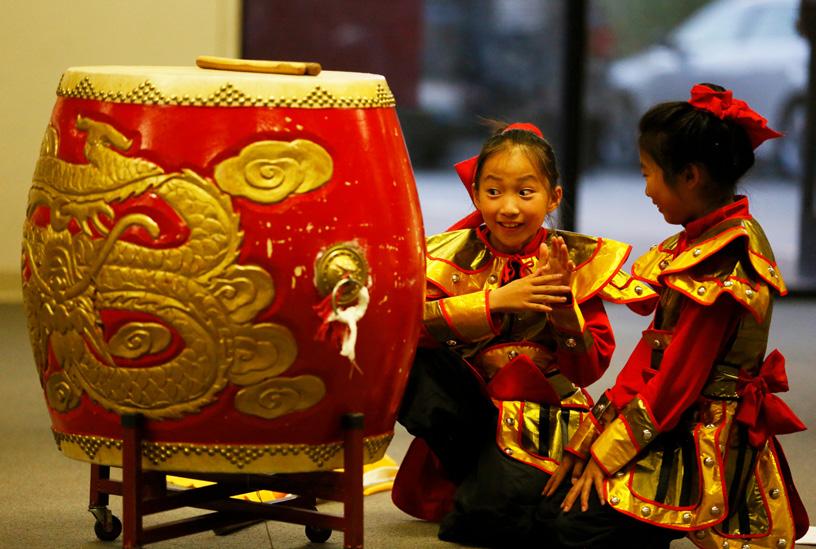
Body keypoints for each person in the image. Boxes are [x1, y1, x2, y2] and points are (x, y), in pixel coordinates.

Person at [542, 84, 809, 549]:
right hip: (668, 416)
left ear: (689, 176)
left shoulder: (728, 254)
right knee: (549, 507)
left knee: (575, 529)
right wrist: (590, 438)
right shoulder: (698, 237)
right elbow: (651, 352)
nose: (646, 190)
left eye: (648, 174)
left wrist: (607, 456)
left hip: (699, 432)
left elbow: (677, 382)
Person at [391, 122, 655, 547]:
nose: (508, 208)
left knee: (492, 521)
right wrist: (494, 302)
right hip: (472, 413)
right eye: (494, 192)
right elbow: (401, 331)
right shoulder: (449, 255)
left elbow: (588, 372)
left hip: (547, 416)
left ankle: (496, 486)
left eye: (525, 192)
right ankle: (484, 479)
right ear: (476, 194)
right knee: (410, 361)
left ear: (554, 197)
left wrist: (565, 310)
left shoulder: (573, 261)